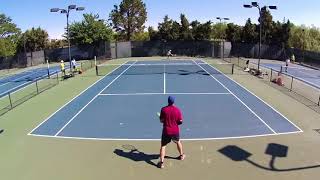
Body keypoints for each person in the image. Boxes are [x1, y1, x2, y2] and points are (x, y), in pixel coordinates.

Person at [158, 96, 185, 169]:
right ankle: (181, 156)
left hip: (166, 131)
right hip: (175, 131)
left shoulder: (163, 109)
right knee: (178, 142)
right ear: (174, 102)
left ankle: (161, 163)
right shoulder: (177, 110)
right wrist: (175, 123)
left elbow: (161, 121)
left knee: (163, 146)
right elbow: (180, 121)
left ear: (168, 101)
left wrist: (162, 119)